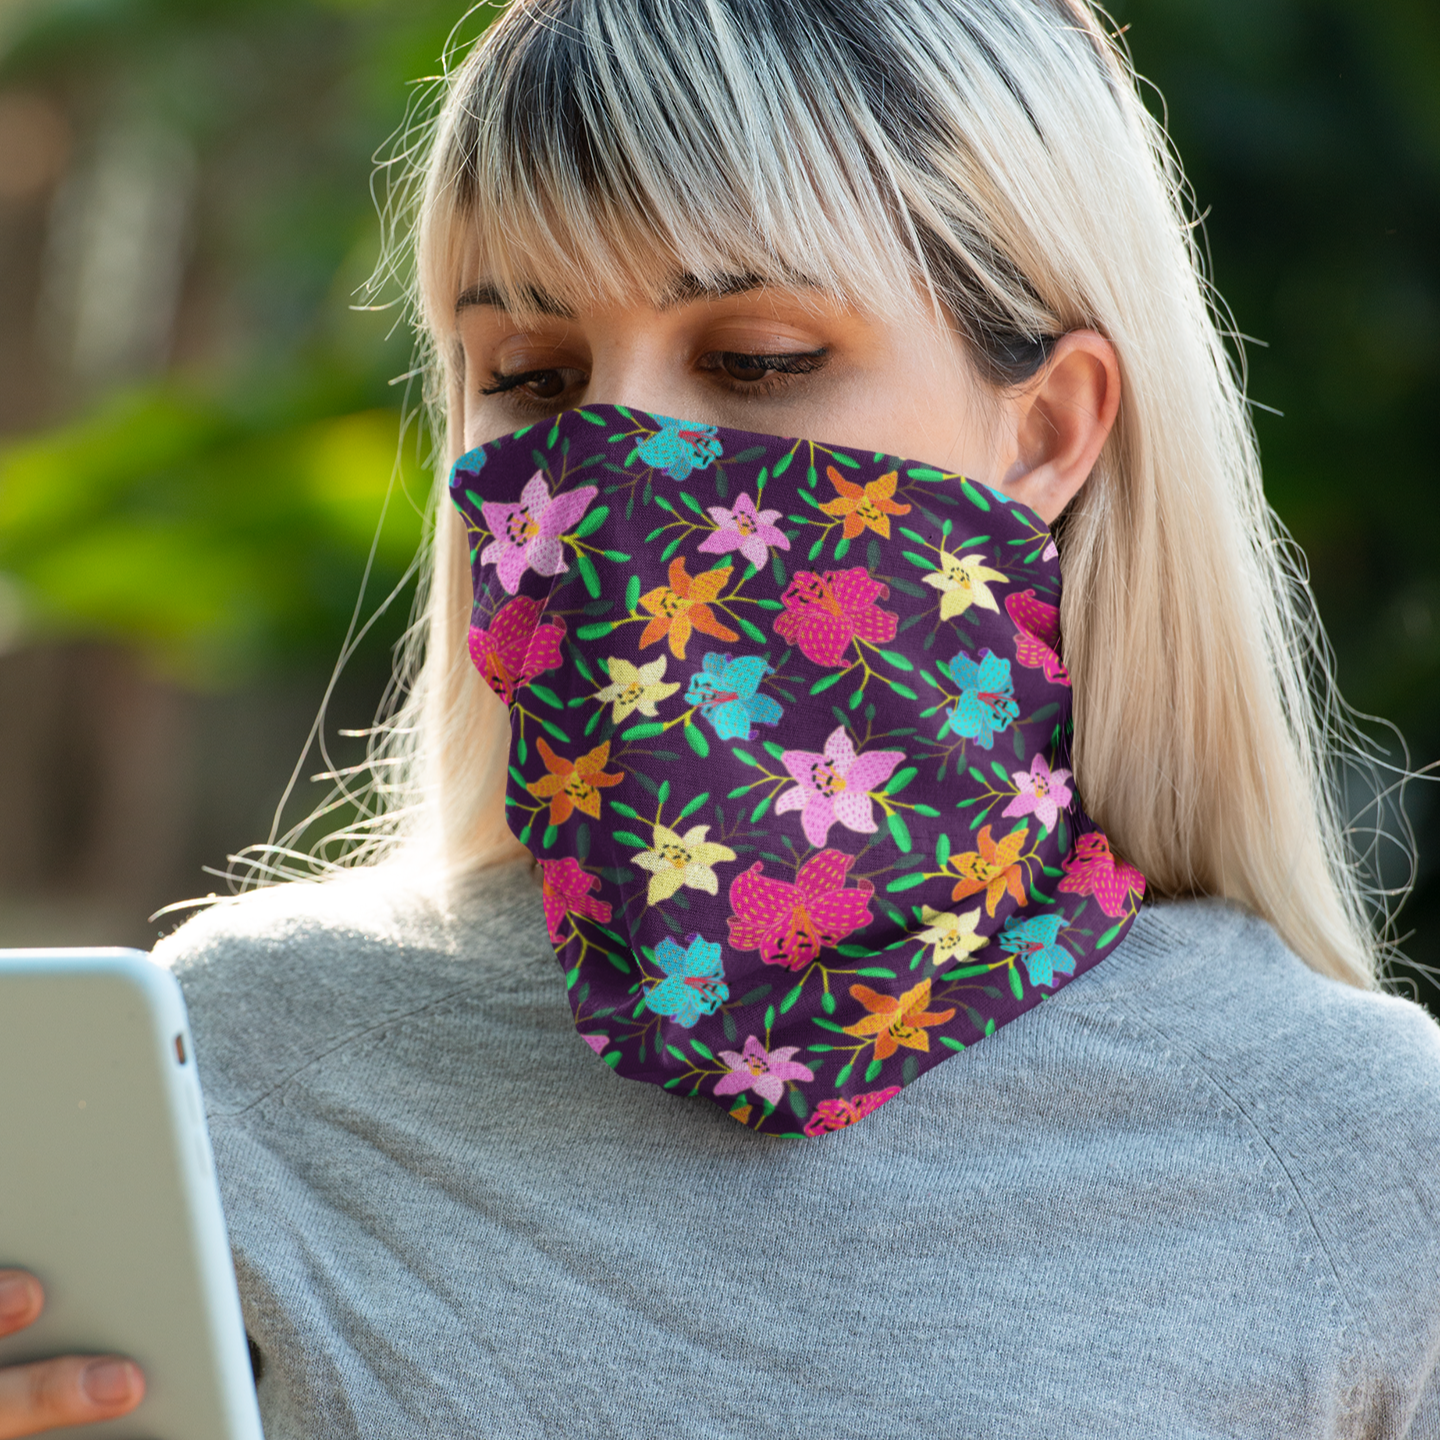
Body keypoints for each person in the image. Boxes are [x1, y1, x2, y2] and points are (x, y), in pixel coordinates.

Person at [3, 0, 1438, 1433]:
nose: (614, 467)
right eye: (530, 380)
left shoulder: (1356, 1156)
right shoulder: (233, 1075)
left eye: (755, 359)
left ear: (1048, 428)